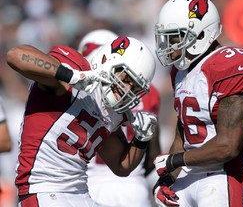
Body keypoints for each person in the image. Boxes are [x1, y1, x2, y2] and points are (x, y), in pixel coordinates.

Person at [6, 36, 158, 207]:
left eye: (135, 87)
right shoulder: (74, 71)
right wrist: (70, 76)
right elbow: (15, 56)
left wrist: (141, 139)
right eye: (126, 79)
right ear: (108, 61)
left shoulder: (114, 111)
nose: (127, 89)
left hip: (81, 193)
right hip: (44, 189)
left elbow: (121, 166)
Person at [151, 0, 243, 207]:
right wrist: (166, 179)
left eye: (175, 37)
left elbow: (229, 146)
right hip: (187, 176)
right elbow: (183, 134)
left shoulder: (231, 64)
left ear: (200, 34)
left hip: (221, 175)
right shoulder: (180, 71)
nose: (169, 45)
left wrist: (176, 161)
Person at [78, 29, 162, 207]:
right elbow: (153, 154)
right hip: (133, 185)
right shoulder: (147, 91)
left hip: (91, 183)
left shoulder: (82, 89)